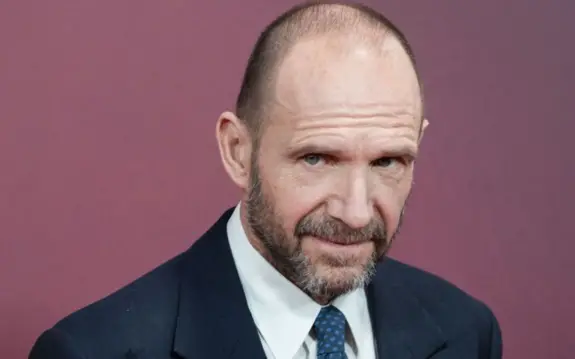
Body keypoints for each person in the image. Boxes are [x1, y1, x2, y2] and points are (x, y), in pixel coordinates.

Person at [29, 2, 502, 358]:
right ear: (238, 151)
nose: (357, 211)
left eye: (388, 162)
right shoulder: (95, 351)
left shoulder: (467, 331)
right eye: (317, 158)